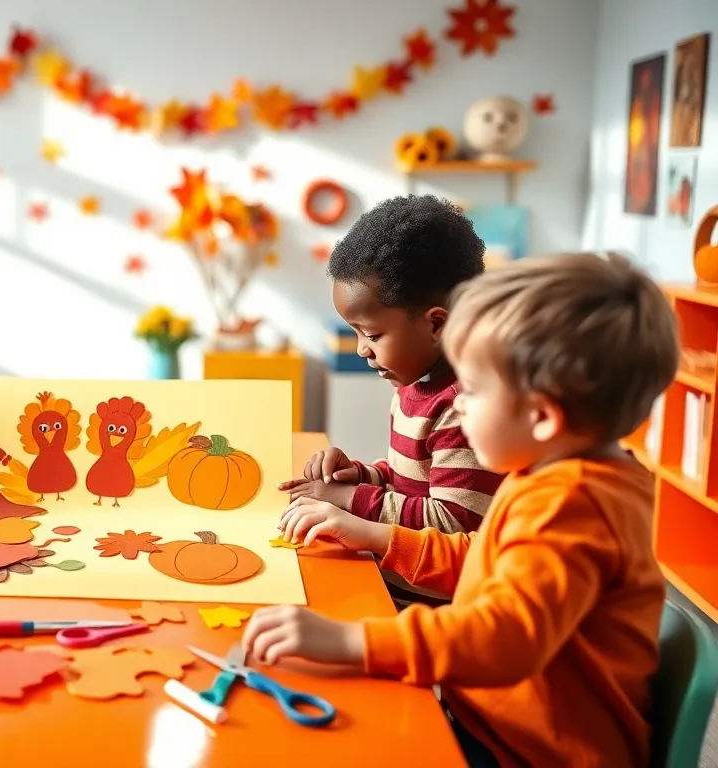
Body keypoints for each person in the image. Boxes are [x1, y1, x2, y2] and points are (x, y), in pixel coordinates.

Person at [249, 252, 677, 766]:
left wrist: (352, 640)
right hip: (495, 718)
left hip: (529, 749)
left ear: (542, 416)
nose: (459, 403)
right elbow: (484, 561)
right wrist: (377, 536)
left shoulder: (571, 504)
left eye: (471, 391)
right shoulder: (563, 476)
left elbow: (502, 638)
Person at [281, 194, 504, 534]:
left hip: (422, 586)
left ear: (435, 325)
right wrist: (359, 475)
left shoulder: (462, 407)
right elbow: (410, 483)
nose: (361, 350)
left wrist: (349, 498)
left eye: (372, 335)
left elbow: (452, 522)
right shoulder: (412, 384)